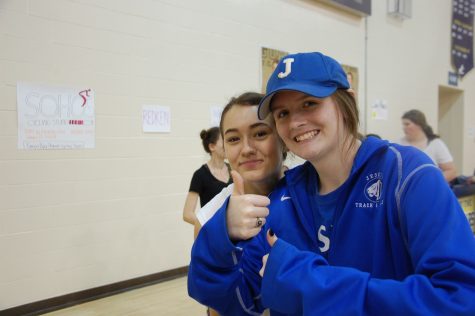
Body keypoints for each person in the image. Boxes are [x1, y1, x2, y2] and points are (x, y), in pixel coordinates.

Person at [188, 52, 475, 315]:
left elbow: (460, 300)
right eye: (283, 114)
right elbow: (232, 301)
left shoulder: (407, 175)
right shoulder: (285, 199)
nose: (296, 122)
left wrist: (311, 283)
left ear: (345, 100)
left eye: (309, 103)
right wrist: (221, 232)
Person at [193, 91, 286, 237]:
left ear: (283, 137)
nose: (247, 149)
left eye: (260, 134)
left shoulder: (312, 192)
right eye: (233, 139)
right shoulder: (208, 220)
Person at [182, 127, 231, 228]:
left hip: (234, 233)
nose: (228, 145)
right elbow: (187, 214)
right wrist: (210, 226)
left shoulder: (234, 170)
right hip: (213, 235)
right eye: (224, 141)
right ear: (212, 146)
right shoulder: (200, 175)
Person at [399, 109, 457, 182]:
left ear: (419, 125)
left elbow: (451, 171)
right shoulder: (400, 143)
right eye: (403, 125)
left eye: (407, 124)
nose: (404, 128)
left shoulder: (436, 144)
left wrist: (430, 182)